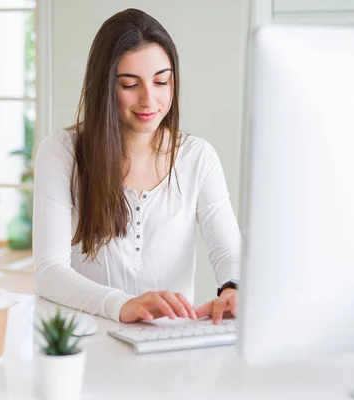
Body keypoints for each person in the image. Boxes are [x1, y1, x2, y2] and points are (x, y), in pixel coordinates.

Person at [33, 8, 241, 325]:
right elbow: (49, 271)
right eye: (130, 85)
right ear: (104, 86)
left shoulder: (197, 157)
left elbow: (229, 252)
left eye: (161, 81)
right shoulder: (61, 153)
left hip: (169, 347)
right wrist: (123, 305)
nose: (149, 100)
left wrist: (233, 287)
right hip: (91, 341)